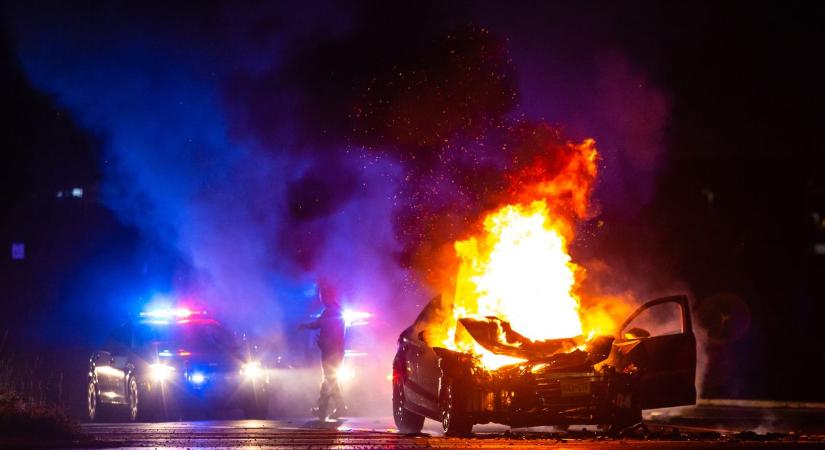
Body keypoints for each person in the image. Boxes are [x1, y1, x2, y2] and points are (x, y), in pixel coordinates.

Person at [299, 281, 347, 420]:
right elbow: (320, 325)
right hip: (333, 351)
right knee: (330, 380)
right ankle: (333, 407)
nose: (321, 299)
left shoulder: (331, 312)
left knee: (329, 380)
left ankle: (329, 408)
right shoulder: (333, 311)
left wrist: (307, 327)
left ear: (327, 296)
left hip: (331, 352)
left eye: (322, 296)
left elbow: (322, 327)